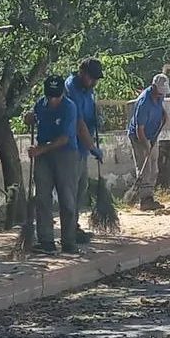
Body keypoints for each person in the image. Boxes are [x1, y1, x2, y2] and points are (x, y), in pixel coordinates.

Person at [28, 75, 80, 255]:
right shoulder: (40, 104)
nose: (52, 100)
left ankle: (69, 241)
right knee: (42, 196)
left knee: (67, 198)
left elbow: (64, 139)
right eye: (49, 96)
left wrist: (39, 150)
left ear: (62, 94)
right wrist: (30, 119)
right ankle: (46, 240)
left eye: (56, 96)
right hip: (43, 156)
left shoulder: (69, 107)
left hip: (65, 154)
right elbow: (34, 118)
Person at [65, 58, 105, 244]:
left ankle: (74, 226)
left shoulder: (88, 90)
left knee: (81, 188)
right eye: (92, 78)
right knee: (71, 190)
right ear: (82, 73)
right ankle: (69, 231)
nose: (94, 82)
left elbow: (88, 118)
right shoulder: (71, 88)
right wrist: (92, 147)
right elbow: (78, 123)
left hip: (82, 148)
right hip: (70, 147)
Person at [127, 73, 170, 211]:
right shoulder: (143, 103)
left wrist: (164, 114)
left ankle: (150, 196)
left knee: (153, 167)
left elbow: (160, 106)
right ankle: (144, 200)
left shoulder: (160, 95)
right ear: (153, 87)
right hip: (139, 137)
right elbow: (140, 130)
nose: (161, 95)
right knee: (144, 168)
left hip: (152, 135)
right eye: (159, 93)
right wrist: (146, 146)